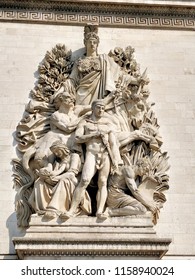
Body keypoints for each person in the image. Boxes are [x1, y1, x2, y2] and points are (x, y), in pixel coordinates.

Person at [60, 99, 123, 219]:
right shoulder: (85, 123)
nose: (101, 110)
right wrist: (92, 135)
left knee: (103, 182)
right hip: (91, 154)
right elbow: (78, 138)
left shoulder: (107, 124)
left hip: (105, 155)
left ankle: (100, 211)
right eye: (98, 107)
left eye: (103, 108)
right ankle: (72, 210)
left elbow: (113, 144)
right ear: (93, 108)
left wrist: (116, 160)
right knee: (84, 180)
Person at [28, 141, 91, 217]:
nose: (56, 154)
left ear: (63, 148)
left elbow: (71, 173)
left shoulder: (74, 156)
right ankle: (42, 211)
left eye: (57, 151)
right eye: (54, 152)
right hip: (57, 180)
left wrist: (56, 177)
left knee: (63, 181)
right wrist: (46, 176)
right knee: (39, 181)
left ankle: (54, 209)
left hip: (72, 181)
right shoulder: (58, 162)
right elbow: (54, 172)